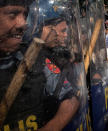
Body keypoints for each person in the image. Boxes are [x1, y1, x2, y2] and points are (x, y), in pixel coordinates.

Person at [0, 0, 82, 130]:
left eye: (25, 14)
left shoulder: (31, 58)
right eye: (12, 14)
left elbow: (71, 98)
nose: (23, 23)